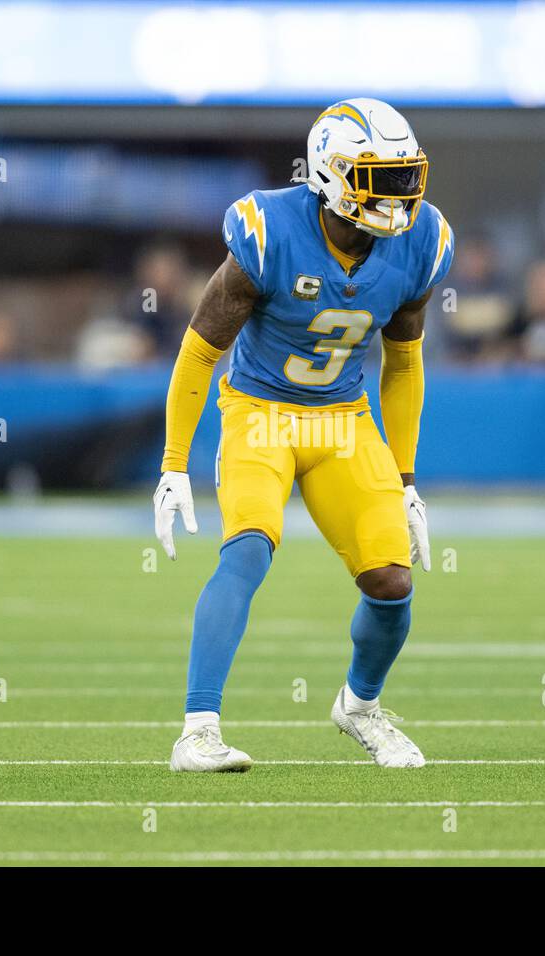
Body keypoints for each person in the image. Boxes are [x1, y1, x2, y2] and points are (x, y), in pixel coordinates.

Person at [152, 98, 453, 772]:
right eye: (381, 177)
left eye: (406, 176)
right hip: (260, 412)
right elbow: (201, 351)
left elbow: (403, 360)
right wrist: (174, 463)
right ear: (332, 174)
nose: (400, 195)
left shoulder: (420, 242)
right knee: (247, 552)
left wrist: (405, 479)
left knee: (392, 580)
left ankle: (360, 707)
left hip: (345, 422)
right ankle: (197, 731)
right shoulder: (271, 231)